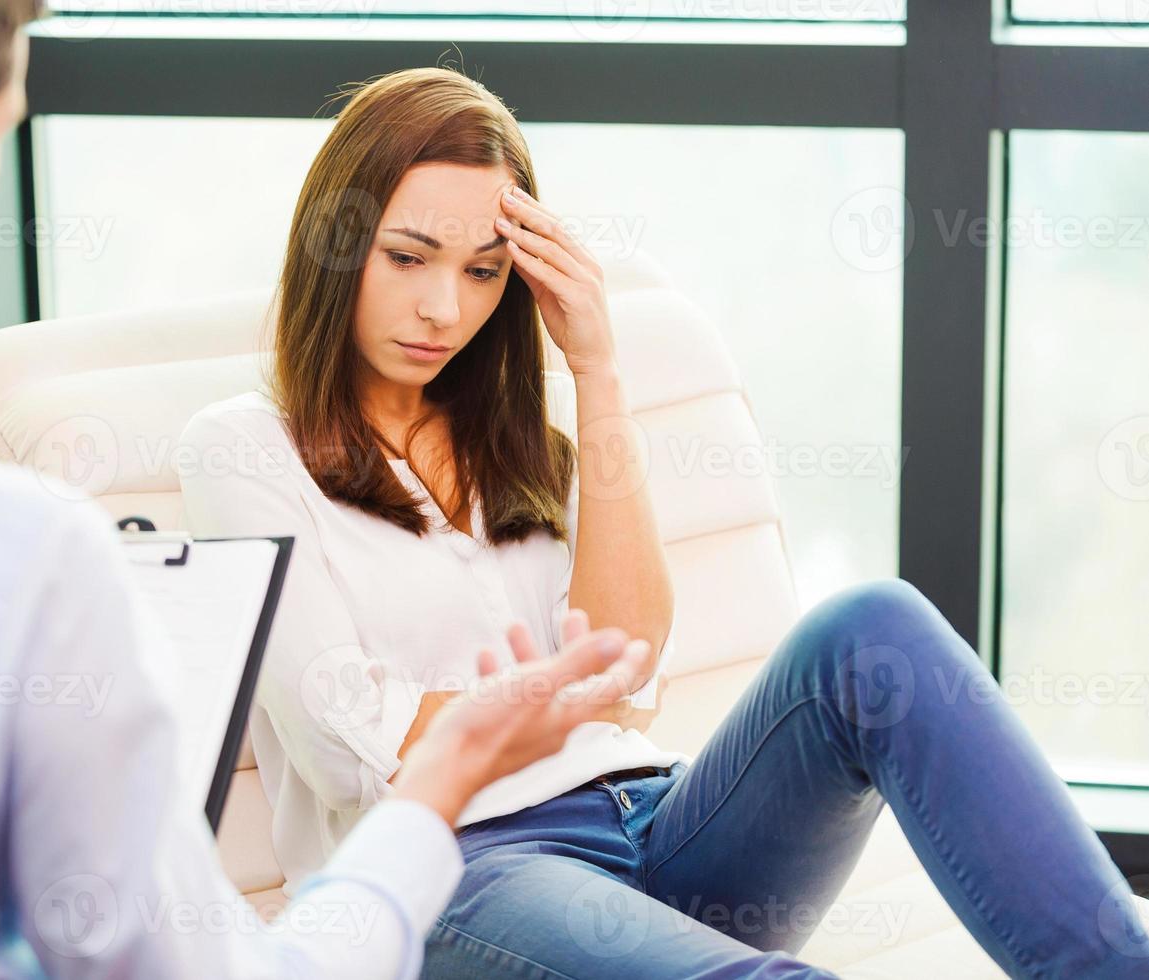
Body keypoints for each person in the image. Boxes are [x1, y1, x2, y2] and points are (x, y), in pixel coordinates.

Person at [0, 6, 657, 978]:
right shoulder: (8, 560)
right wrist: (431, 797)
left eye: (482, 269)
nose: (442, 303)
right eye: (7, 125)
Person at [177, 67, 1149, 978]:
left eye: (483, 271)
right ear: (335, 241)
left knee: (873, 628)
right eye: (408, 256)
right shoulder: (240, 449)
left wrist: (597, 370)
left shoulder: (511, 439)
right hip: (454, 870)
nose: (444, 307)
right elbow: (342, 735)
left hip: (648, 819)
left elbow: (625, 654)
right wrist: (552, 699)